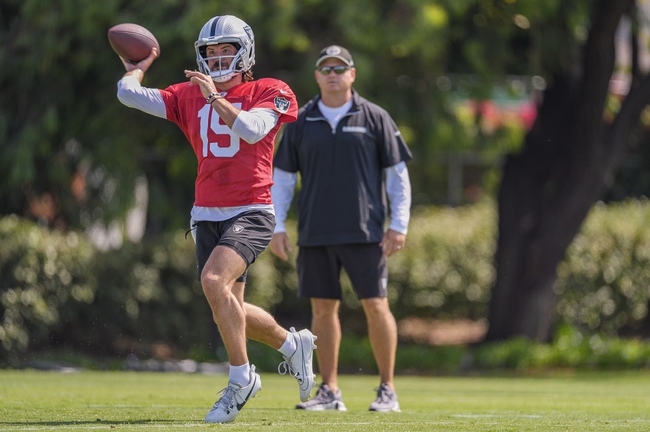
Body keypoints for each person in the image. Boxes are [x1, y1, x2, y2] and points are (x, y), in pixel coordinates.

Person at [114, 15, 317, 424]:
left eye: (227, 49)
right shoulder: (189, 95)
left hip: (252, 209)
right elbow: (127, 95)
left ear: (245, 53)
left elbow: (251, 131)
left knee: (213, 282)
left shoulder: (271, 90)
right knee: (228, 304)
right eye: (211, 51)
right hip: (207, 212)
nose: (218, 57)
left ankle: (242, 378)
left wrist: (212, 98)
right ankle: (292, 346)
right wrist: (138, 66)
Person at [270, 45, 412, 413]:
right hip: (315, 233)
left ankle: (388, 390)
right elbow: (282, 179)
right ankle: (330, 391)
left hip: (366, 233)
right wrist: (276, 225)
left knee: (377, 306)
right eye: (325, 68)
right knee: (322, 309)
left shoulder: (376, 117)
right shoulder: (299, 122)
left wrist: (398, 225)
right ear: (317, 76)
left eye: (340, 67)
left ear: (352, 74)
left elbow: (397, 175)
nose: (333, 73)